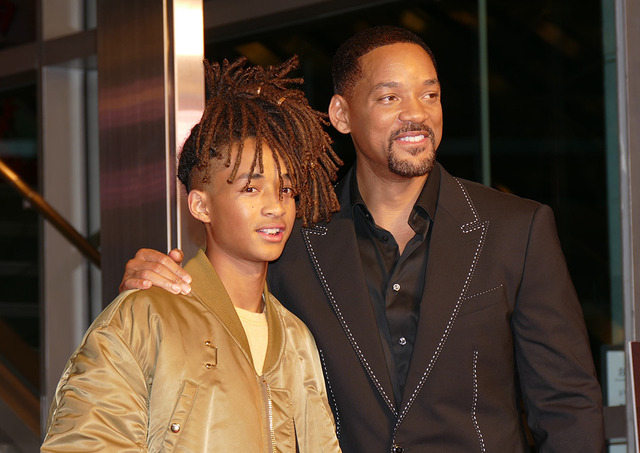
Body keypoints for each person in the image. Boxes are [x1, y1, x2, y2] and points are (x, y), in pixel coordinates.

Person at [120, 26, 605, 452]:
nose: (416, 114)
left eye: (430, 95)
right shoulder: (291, 239)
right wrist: (153, 288)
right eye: (390, 98)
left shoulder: (515, 229)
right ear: (341, 113)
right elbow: (218, 326)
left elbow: (566, 403)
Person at [41, 56, 343, 452]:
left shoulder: (296, 338)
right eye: (250, 189)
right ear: (201, 206)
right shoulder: (145, 316)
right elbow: (86, 441)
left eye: (285, 190)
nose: (276, 206)